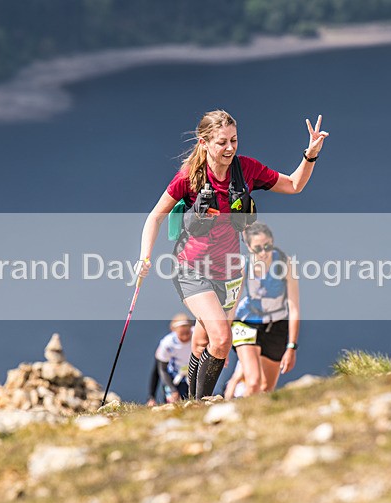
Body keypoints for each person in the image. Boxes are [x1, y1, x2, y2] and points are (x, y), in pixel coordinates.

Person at [139, 109, 328, 400]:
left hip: (228, 273)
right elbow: (155, 217)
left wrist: (310, 155)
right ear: (204, 143)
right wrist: (145, 257)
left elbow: (293, 185)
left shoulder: (247, 169)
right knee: (222, 339)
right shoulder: (188, 177)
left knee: (203, 340)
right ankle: (198, 406)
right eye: (221, 142)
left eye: (234, 140)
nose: (229, 148)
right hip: (192, 269)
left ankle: (191, 400)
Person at [231, 222, 300, 395]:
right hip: (246, 322)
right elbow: (233, 303)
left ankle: (256, 419)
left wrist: (291, 347)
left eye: (267, 246)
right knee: (253, 382)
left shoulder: (285, 263)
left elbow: (294, 308)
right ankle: (237, 416)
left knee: (266, 388)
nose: (263, 253)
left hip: (276, 325)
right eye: (257, 248)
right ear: (248, 246)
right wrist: (223, 338)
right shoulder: (242, 265)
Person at [153, 313, 194, 403]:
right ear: (174, 330)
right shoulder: (167, 343)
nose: (185, 336)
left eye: (187, 332)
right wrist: (172, 390)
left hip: (193, 376)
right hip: (175, 378)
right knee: (173, 402)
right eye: (181, 333)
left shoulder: (197, 336)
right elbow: (161, 369)